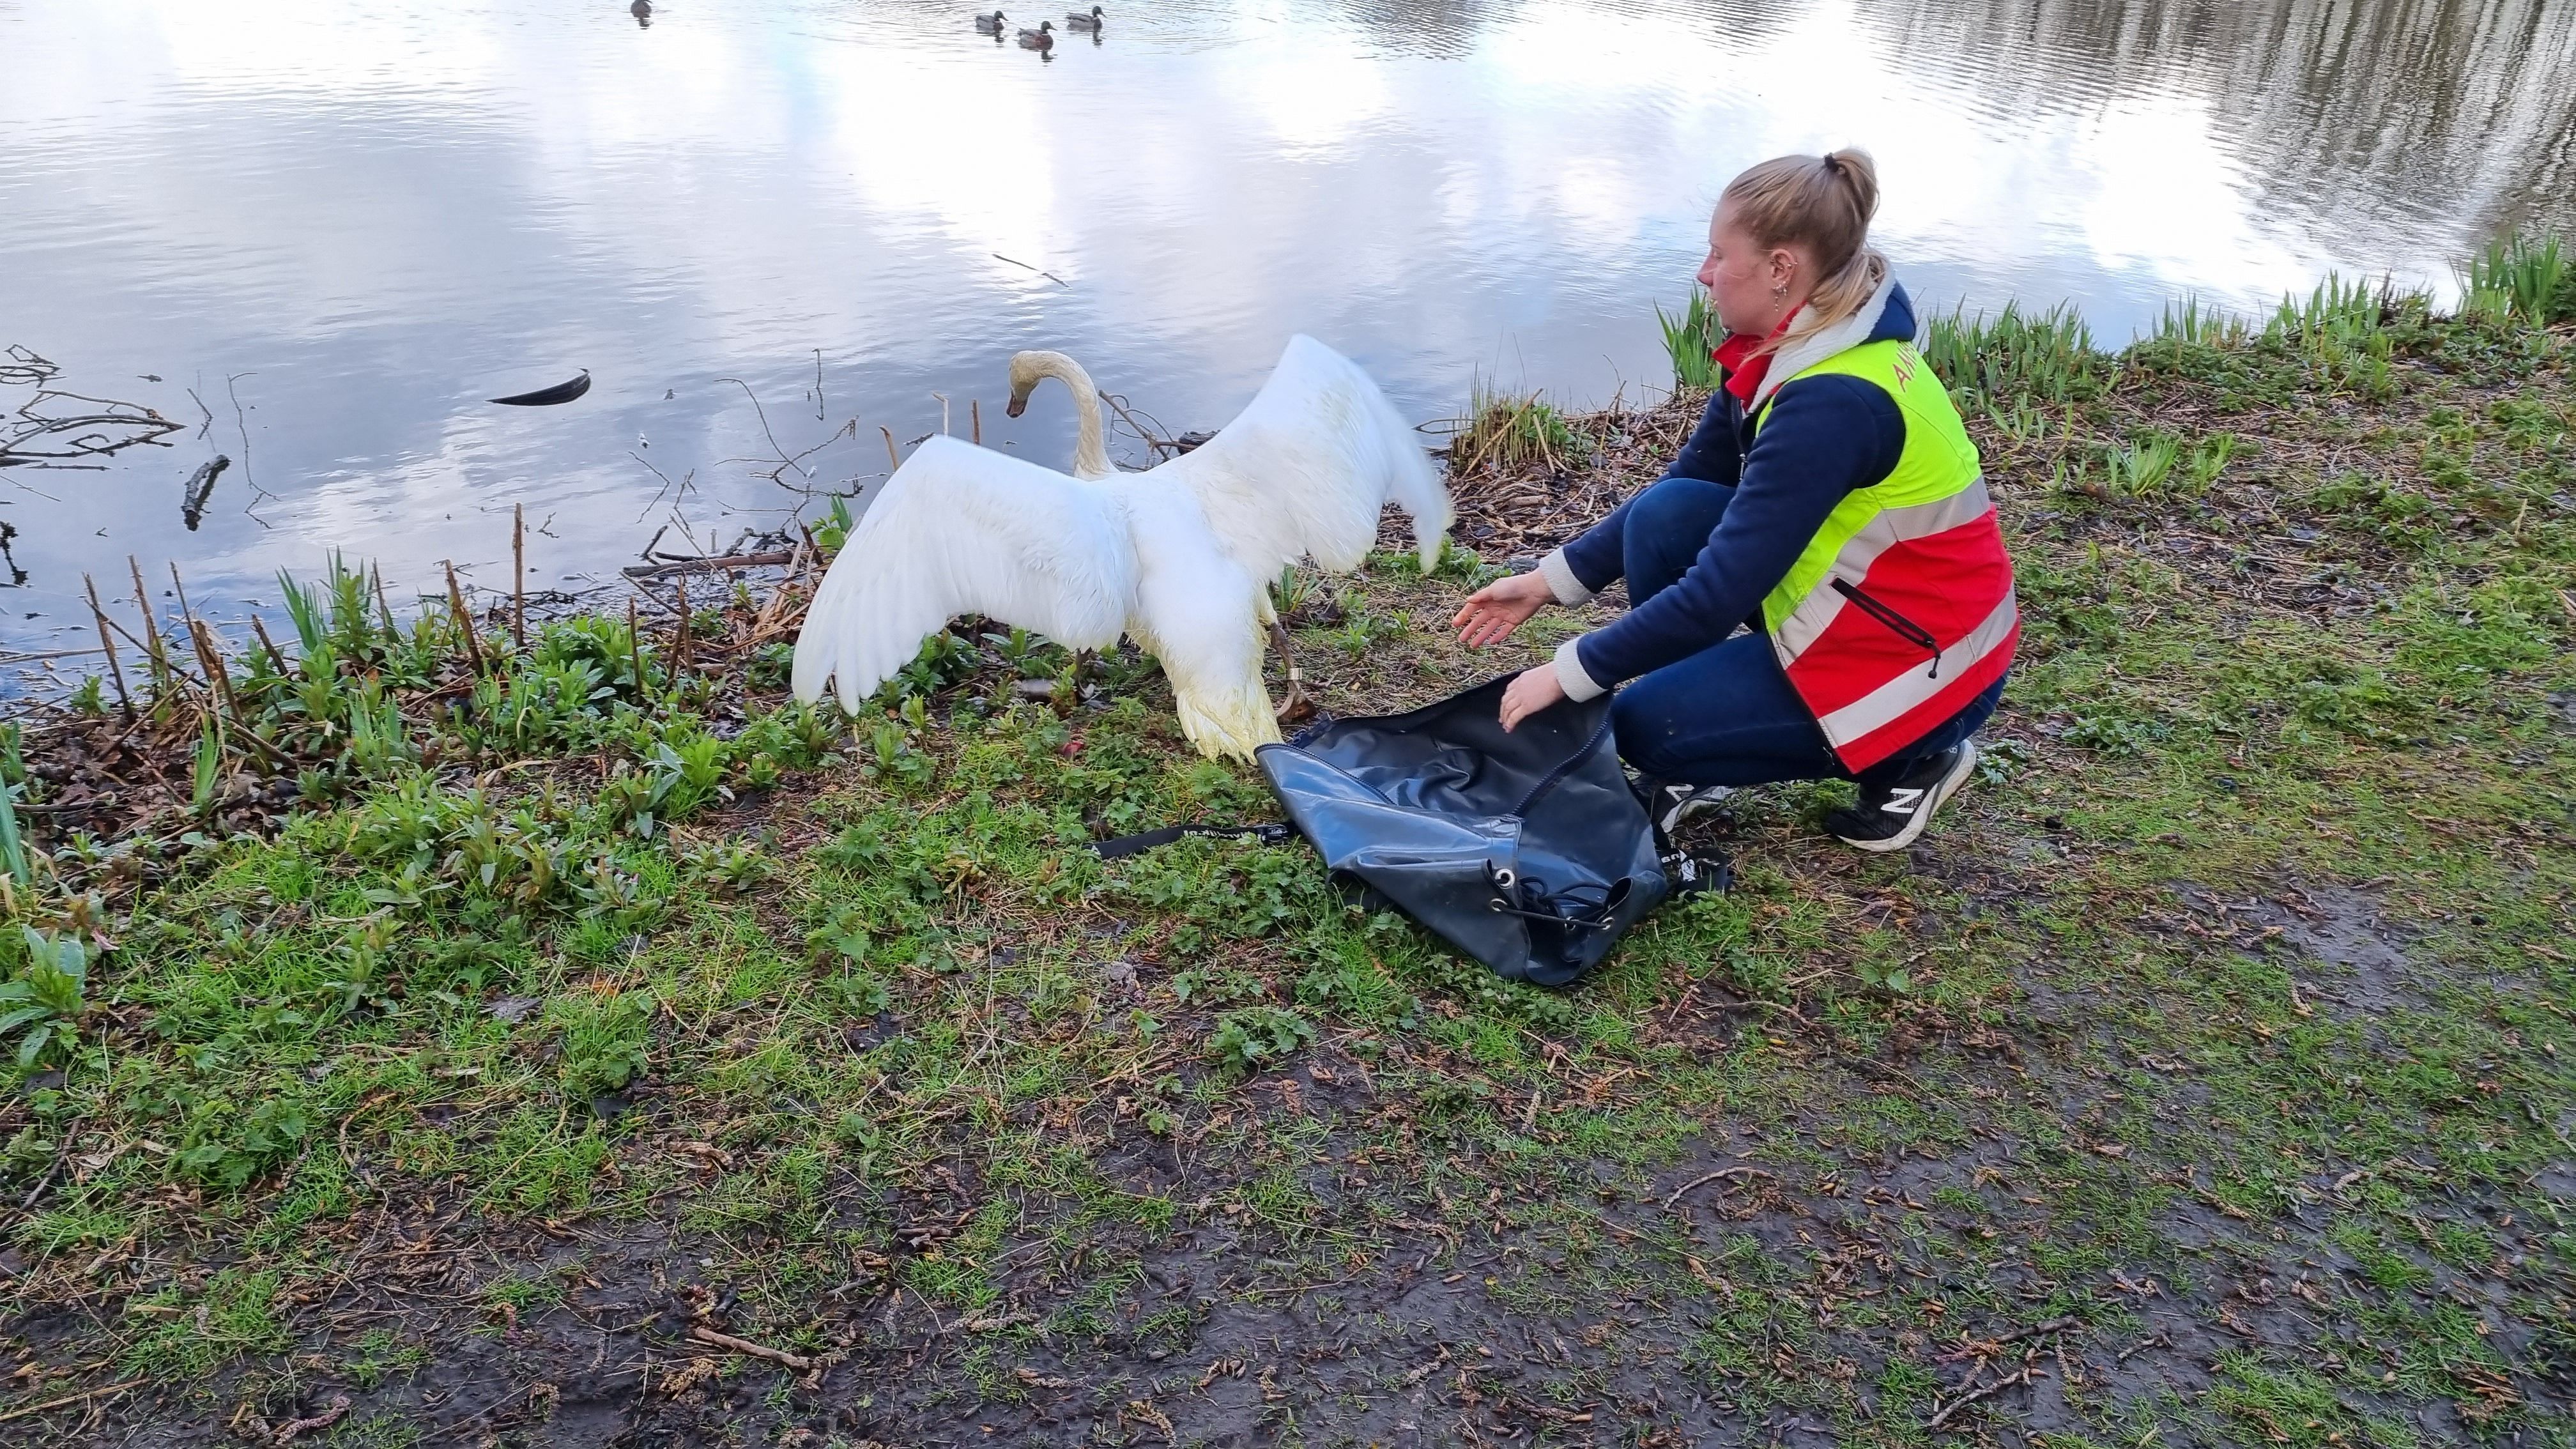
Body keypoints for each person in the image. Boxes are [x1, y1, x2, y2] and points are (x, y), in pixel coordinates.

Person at [1452, 149, 2016, 852]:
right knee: (1668, 515)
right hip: (1869, 608)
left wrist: (1568, 674)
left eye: (1720, 255)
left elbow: (1716, 596)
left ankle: (1913, 762)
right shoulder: (1797, 344)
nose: (1704, 273)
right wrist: (1547, 582)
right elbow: (1689, 485)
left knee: (1646, 727)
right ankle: (1716, 740)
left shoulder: (1832, 403)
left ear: (1781, 268)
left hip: (1928, 665)